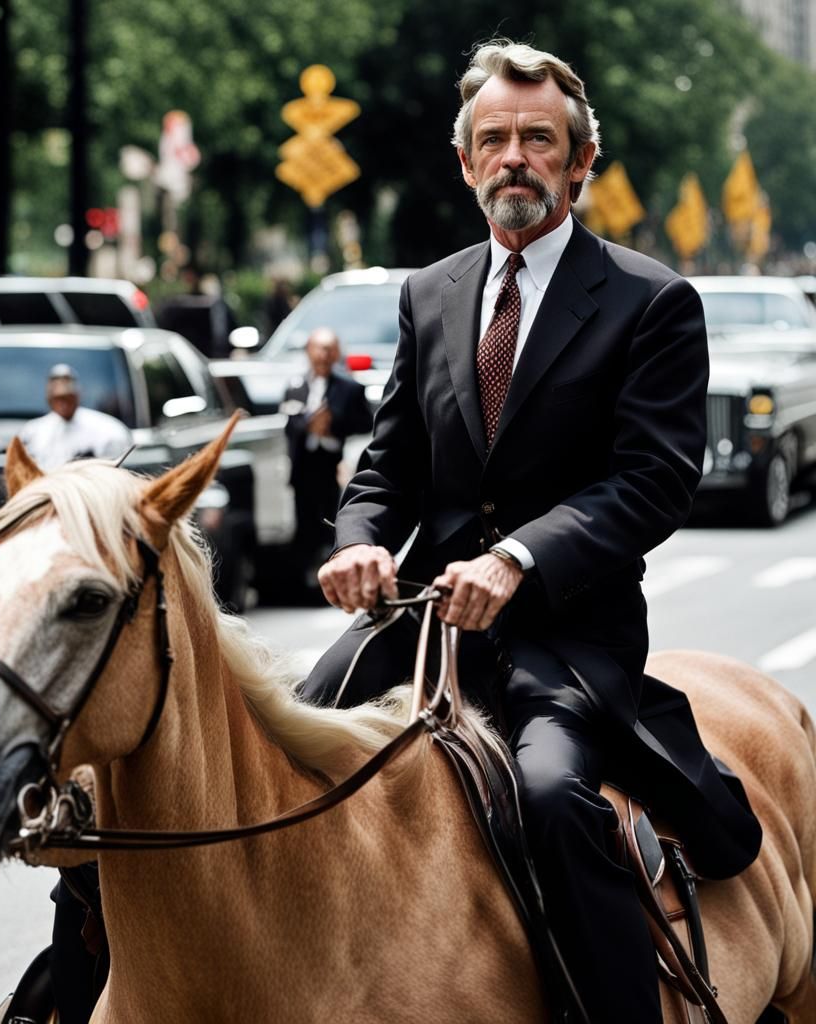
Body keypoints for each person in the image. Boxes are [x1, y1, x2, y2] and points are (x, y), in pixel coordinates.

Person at [300, 40, 761, 1022]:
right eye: (493, 139)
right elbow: (389, 464)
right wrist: (357, 539)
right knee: (248, 745)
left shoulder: (652, 300)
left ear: (579, 161)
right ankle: (66, 989)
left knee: (554, 800)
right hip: (422, 624)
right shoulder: (429, 293)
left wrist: (517, 558)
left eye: (538, 139)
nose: (514, 157)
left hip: (567, 637)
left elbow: (653, 482)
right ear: (466, 164)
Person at [281, 328, 372, 587]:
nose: (322, 355)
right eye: (318, 348)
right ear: (309, 351)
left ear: (336, 353)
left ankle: (332, 570)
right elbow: (288, 424)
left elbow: (365, 422)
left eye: (328, 349)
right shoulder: (295, 385)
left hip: (331, 465)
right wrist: (309, 424)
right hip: (303, 466)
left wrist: (333, 425)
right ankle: (303, 579)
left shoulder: (349, 387)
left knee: (331, 520)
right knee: (303, 523)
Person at [19, 364, 132, 470]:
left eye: (67, 397)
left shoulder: (109, 430)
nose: (63, 404)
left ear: (78, 395)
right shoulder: (32, 432)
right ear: (49, 398)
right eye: (58, 398)